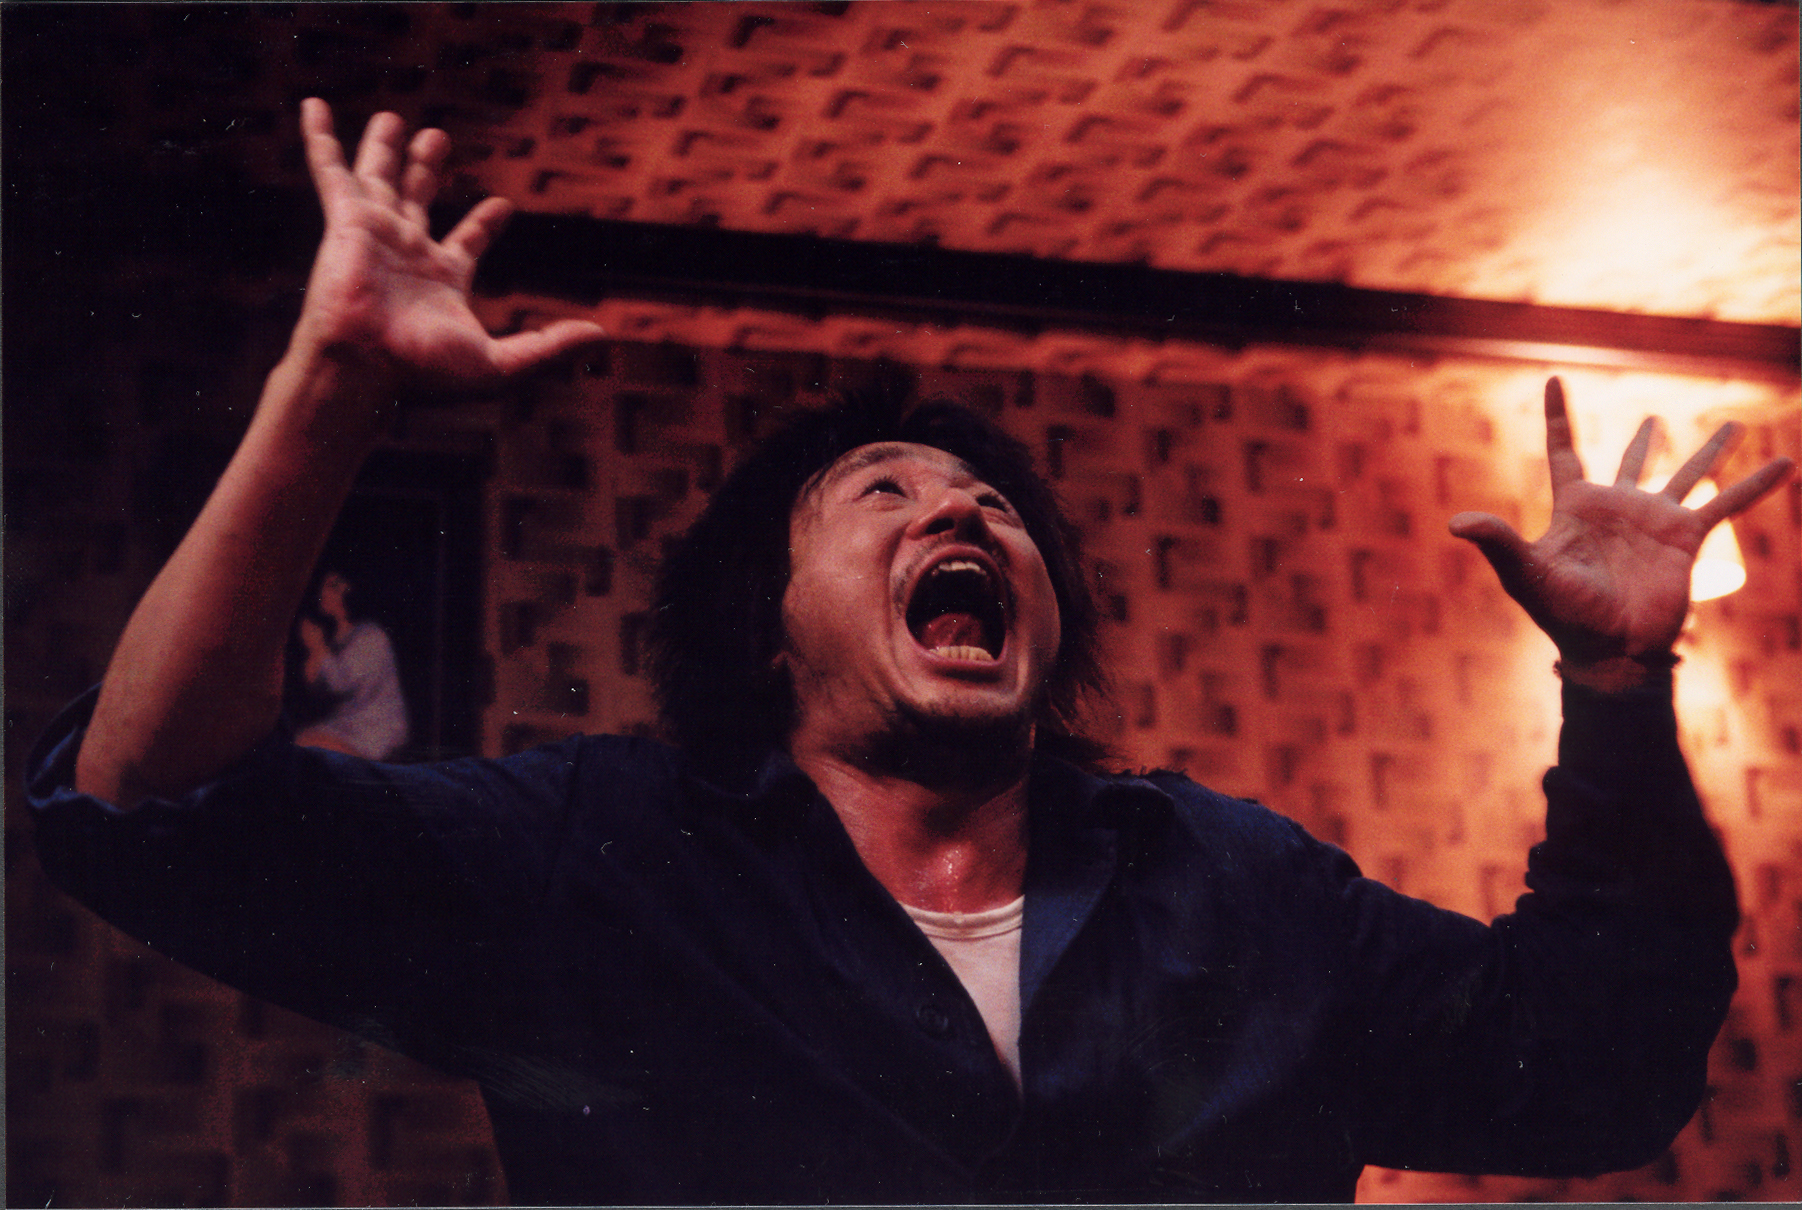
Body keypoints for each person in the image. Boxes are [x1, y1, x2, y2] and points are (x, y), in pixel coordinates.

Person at [26, 101, 1795, 1204]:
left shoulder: (1239, 889)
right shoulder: (601, 860)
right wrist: (330, 393)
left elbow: (1592, 1071)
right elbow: (153, 811)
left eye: (992, 504)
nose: (960, 508)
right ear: (766, 622)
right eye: (881, 491)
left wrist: (1617, 694)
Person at [292, 569, 410, 760]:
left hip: (376, 728)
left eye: (333, 587)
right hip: (348, 723)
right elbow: (319, 692)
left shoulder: (371, 636)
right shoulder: (336, 638)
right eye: (324, 586)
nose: (324, 593)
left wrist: (319, 648)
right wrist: (313, 658)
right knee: (300, 741)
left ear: (350, 592)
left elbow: (341, 683)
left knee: (306, 744)